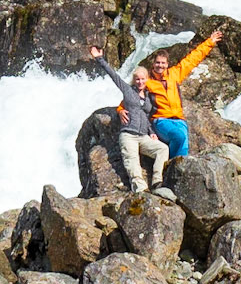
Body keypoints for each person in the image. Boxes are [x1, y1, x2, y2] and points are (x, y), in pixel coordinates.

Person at [86, 43, 169, 191]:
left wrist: (152, 132)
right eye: (137, 79)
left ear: (147, 79)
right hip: (128, 135)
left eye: (143, 79)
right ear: (134, 80)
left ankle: (157, 181)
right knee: (132, 162)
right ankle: (141, 190)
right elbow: (113, 75)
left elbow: (147, 116)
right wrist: (99, 58)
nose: (140, 82)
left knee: (162, 149)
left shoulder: (150, 96)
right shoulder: (128, 91)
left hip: (143, 136)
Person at [143, 30, 223, 160]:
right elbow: (132, 95)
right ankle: (168, 163)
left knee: (184, 152)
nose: (160, 66)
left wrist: (210, 42)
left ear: (167, 64)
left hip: (180, 120)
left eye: (163, 63)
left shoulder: (174, 74)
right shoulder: (147, 81)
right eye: (158, 63)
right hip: (161, 121)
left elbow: (192, 59)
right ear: (153, 63)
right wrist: (121, 109)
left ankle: (172, 170)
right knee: (179, 137)